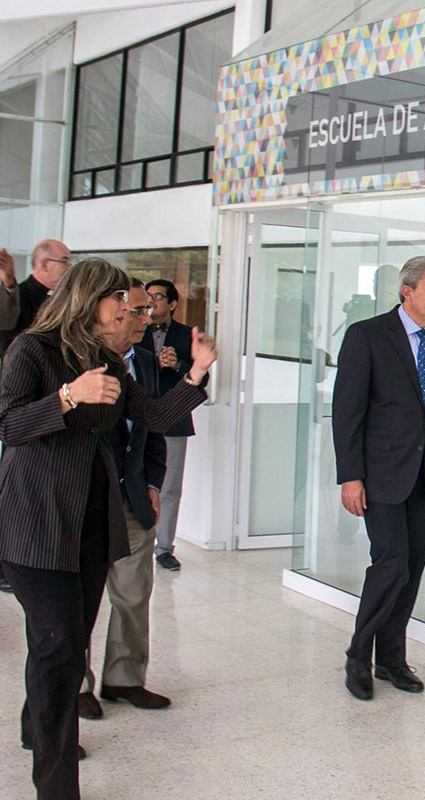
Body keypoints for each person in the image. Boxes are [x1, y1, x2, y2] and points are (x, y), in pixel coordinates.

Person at [0, 259, 216, 800]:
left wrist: (195, 374)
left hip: (93, 520)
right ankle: (56, 786)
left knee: (65, 643)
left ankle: (34, 727)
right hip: (37, 519)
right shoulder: (32, 350)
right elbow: (8, 425)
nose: (128, 307)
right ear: (87, 298)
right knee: (58, 648)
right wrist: (67, 397)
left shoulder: (109, 361)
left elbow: (157, 418)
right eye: (118, 298)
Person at [333, 255, 425, 701]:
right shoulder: (367, 336)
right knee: (390, 564)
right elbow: (347, 412)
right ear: (407, 291)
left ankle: (391, 659)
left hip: (424, 479)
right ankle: (359, 654)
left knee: (410, 572)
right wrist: (351, 477)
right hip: (380, 476)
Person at [79, 279, 172, 720]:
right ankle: (77, 685)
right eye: (136, 310)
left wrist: (153, 484)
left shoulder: (147, 361)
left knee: (134, 594)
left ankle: (124, 678)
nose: (144, 318)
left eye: (146, 310)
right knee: (81, 600)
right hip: (89, 497)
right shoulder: (79, 362)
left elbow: (154, 427)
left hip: (134, 494)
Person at [0, 241, 72, 594]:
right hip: (24, 402)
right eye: (65, 261)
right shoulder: (23, 295)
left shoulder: (61, 299)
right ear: (43, 264)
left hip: (54, 403)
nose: (69, 267)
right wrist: (8, 284)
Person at [140, 279, 197, 571]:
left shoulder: (187, 335)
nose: (151, 301)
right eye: (148, 296)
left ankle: (164, 548)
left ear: (172, 303)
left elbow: (200, 378)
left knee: (170, 487)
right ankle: (136, 546)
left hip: (174, 420)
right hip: (138, 416)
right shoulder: (135, 329)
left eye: (158, 297)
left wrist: (176, 365)